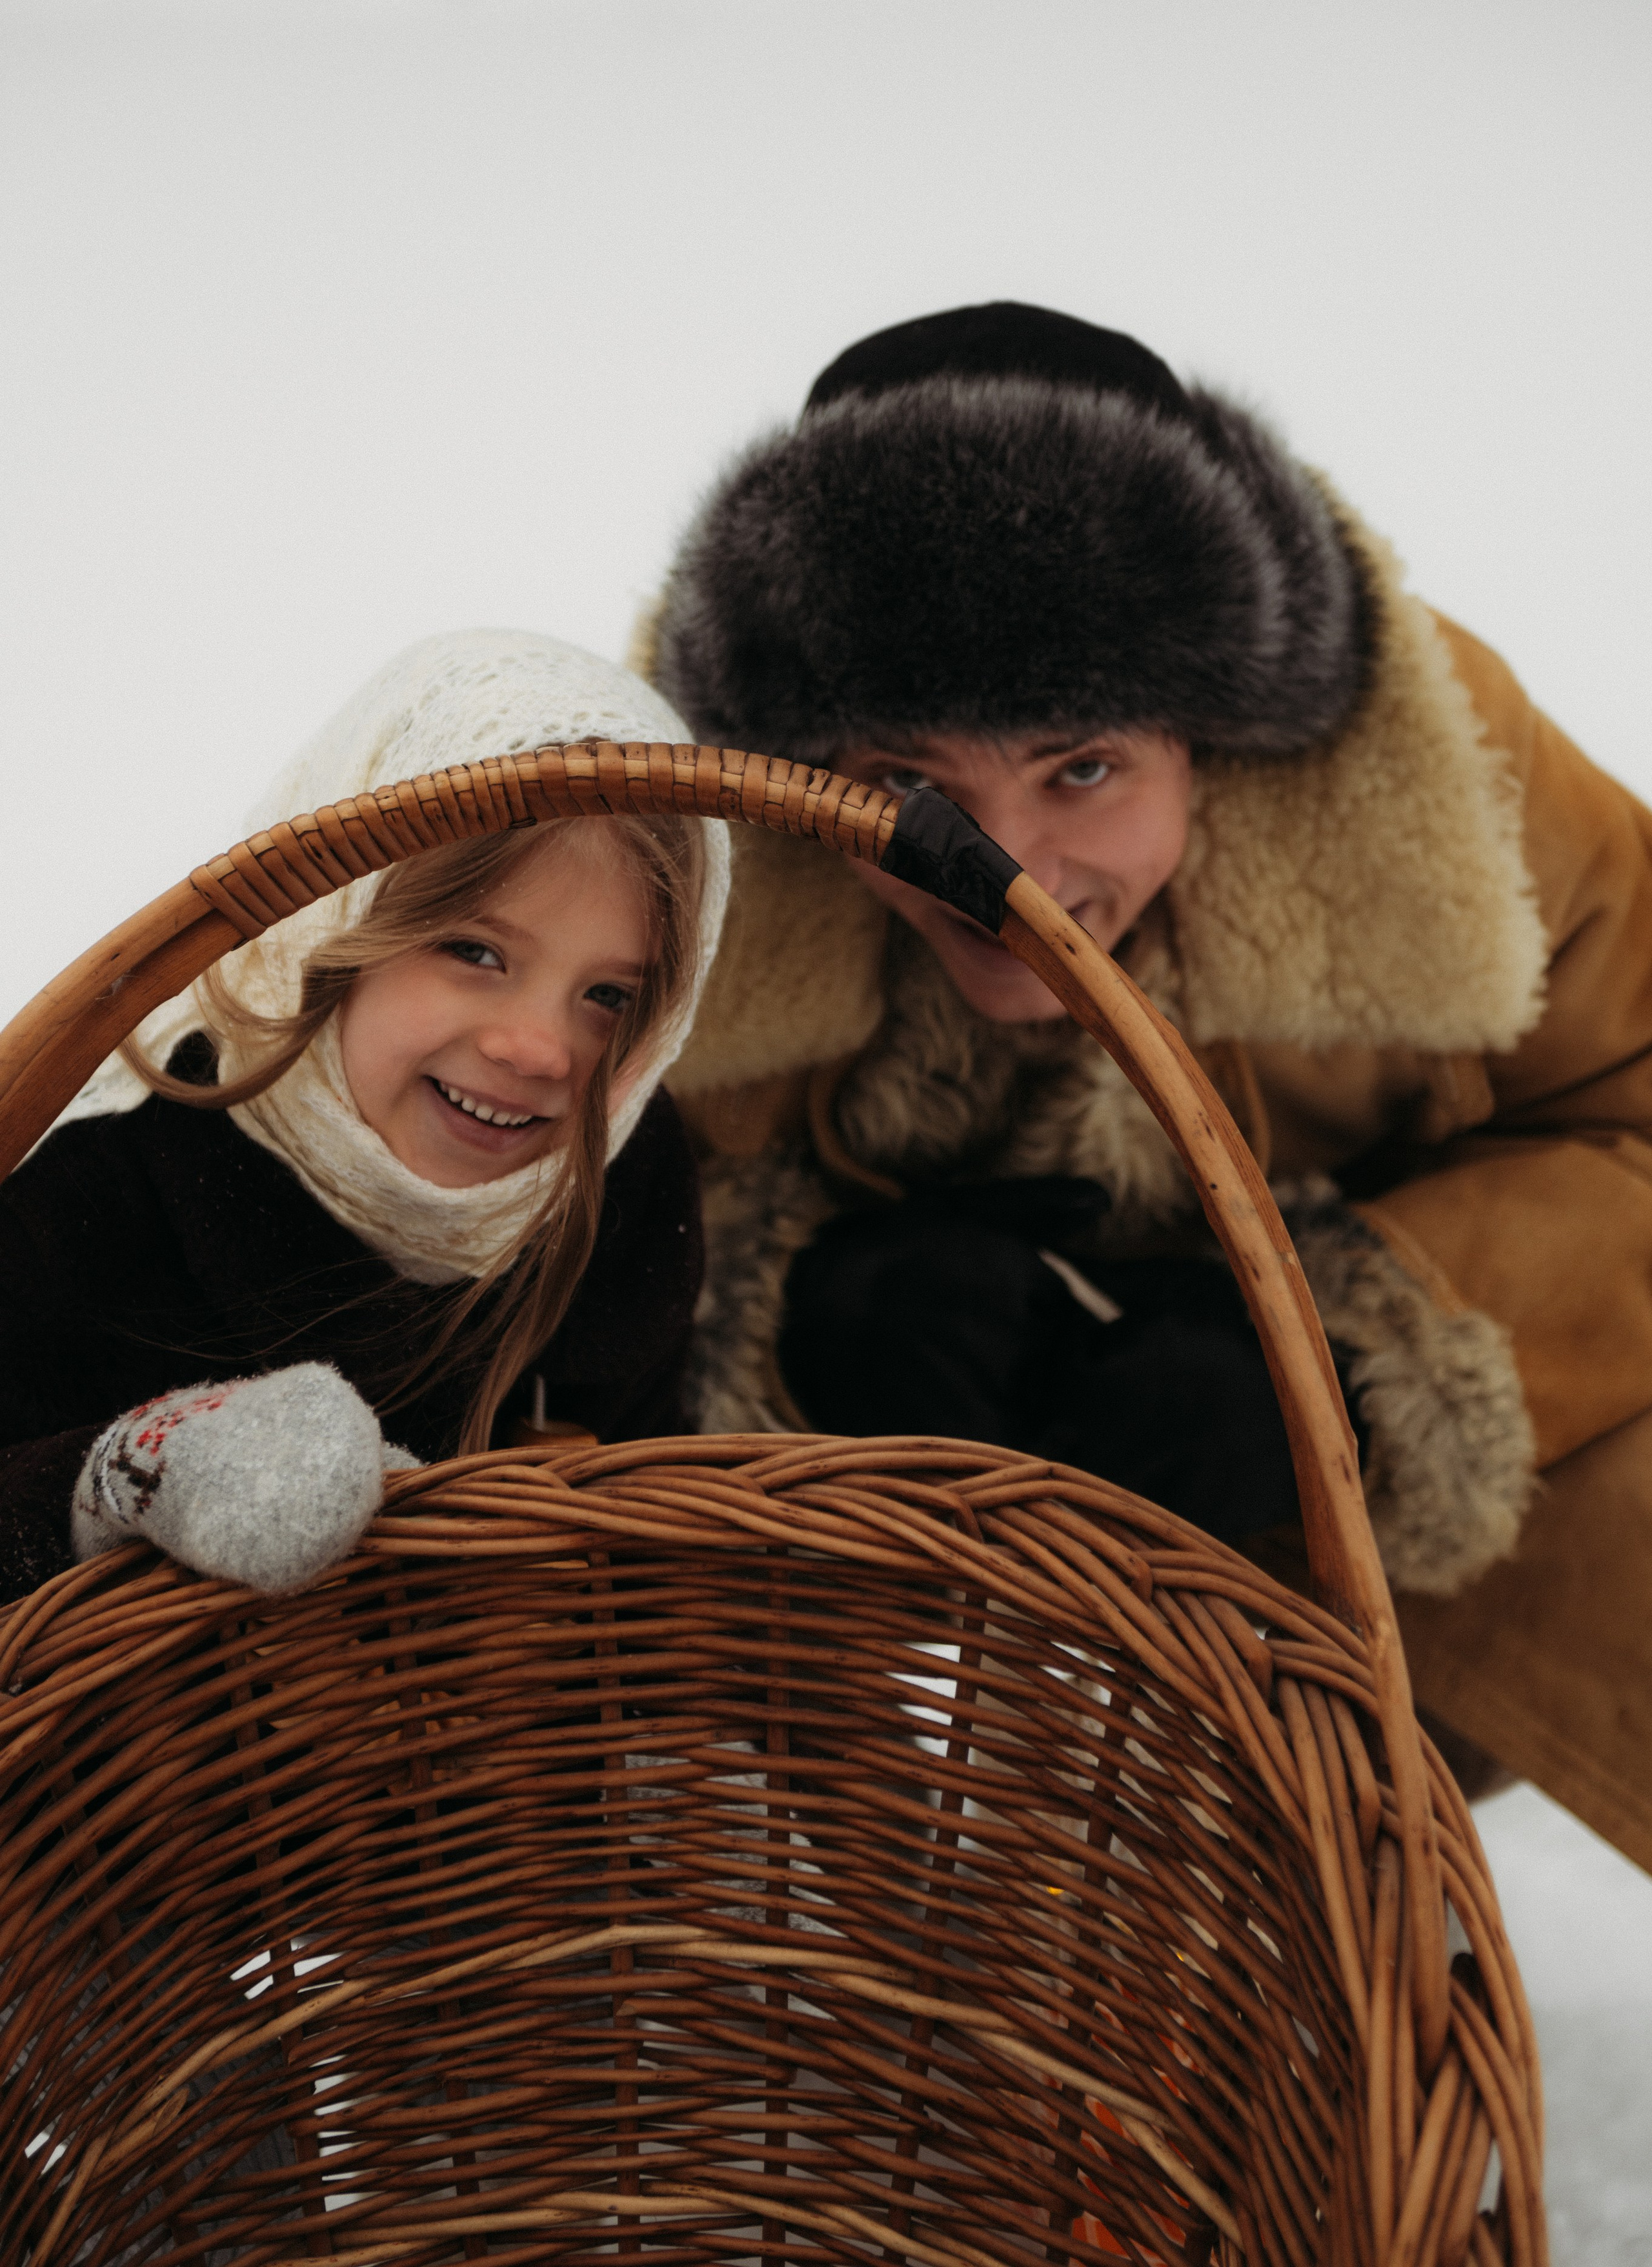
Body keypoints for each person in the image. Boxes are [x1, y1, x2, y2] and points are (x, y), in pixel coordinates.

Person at [638, 300, 1652, 1853]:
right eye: (908, 785)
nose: (1004, 874)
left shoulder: (1459, 786)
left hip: (1319, 1454)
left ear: (1211, 737)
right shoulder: (683, 835)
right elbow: (528, 1216)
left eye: (1081, 769)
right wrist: (785, 1314)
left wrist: (1343, 1360)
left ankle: (1362, 1813)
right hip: (934, 1569)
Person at [0, 630, 729, 1603]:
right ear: (337, 923)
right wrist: (122, 1476)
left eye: (610, 997)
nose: (541, 1050)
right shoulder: (113, 1173)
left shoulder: (619, 1182)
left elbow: (645, 1488)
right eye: (476, 952)